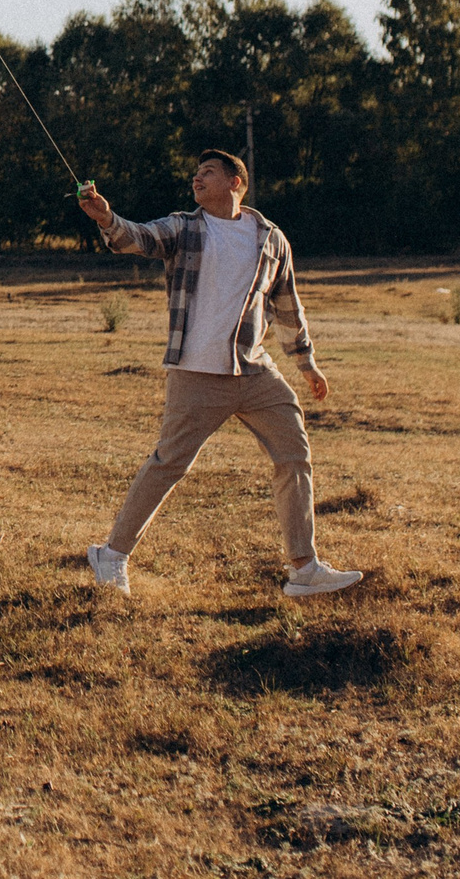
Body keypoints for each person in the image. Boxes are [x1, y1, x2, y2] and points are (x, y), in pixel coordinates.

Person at [77, 151, 363, 598]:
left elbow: (288, 306)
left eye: (207, 172)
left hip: (253, 370)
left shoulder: (271, 239)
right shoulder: (184, 227)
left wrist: (306, 364)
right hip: (196, 372)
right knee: (169, 464)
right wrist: (107, 218)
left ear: (236, 183)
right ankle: (111, 555)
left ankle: (303, 569)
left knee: (294, 453)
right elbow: (139, 237)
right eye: (195, 173)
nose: (196, 178)